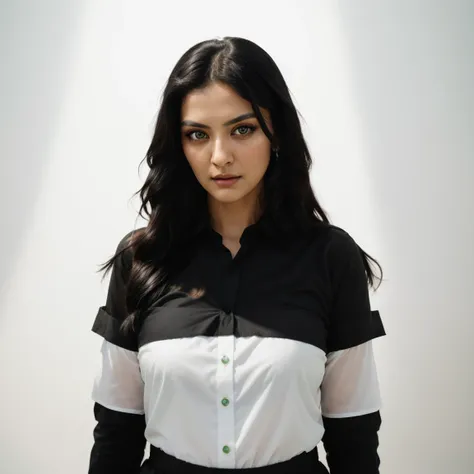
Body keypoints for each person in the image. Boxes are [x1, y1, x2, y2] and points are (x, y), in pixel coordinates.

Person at [88, 36, 386, 474]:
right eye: (197, 135)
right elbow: (115, 435)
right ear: (179, 144)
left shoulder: (330, 257)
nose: (220, 157)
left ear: (277, 132)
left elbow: (354, 436)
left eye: (242, 129)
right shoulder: (142, 258)